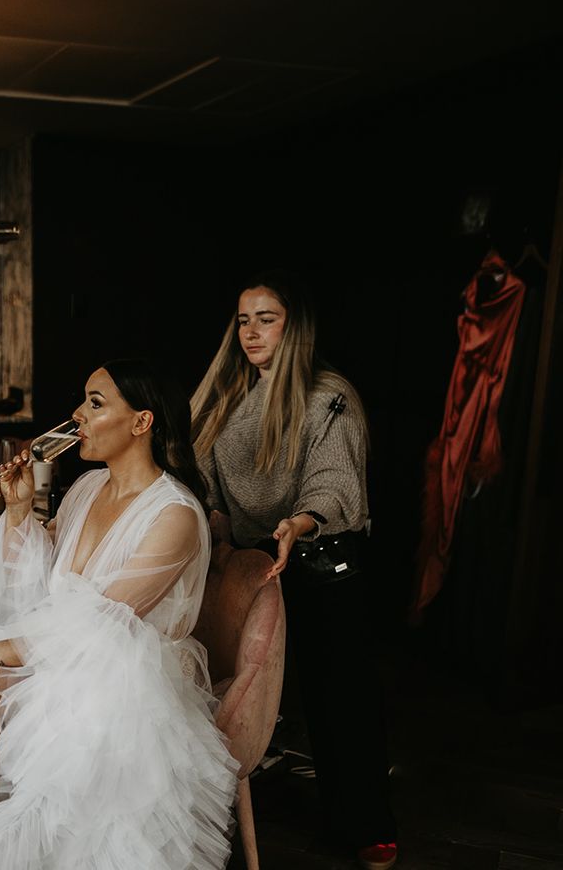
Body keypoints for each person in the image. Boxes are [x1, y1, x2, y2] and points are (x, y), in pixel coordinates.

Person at [0, 359, 239, 870]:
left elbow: (99, 623)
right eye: (83, 400)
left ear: (142, 422)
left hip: (127, 680)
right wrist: (18, 511)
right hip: (64, 658)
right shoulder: (84, 489)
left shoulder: (175, 514)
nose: (78, 414)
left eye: (96, 403)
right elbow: (31, 583)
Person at [190, 269, 398, 870]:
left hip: (318, 560)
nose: (251, 332)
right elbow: (206, 476)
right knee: (246, 689)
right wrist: (213, 518)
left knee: (342, 699)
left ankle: (367, 823)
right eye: (243, 320)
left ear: (295, 326)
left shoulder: (327, 395)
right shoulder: (227, 396)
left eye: (267, 318)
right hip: (256, 566)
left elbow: (333, 478)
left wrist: (300, 521)